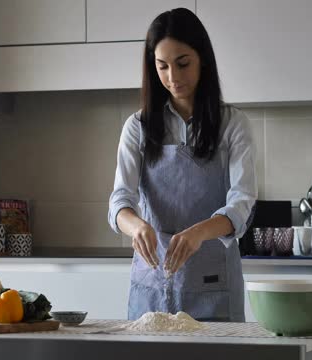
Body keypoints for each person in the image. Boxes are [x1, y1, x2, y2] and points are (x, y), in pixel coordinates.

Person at [108, 8, 257, 322]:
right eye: (162, 66)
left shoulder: (233, 124)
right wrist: (137, 226)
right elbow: (120, 202)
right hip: (151, 281)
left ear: (202, 58)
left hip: (213, 282)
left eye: (183, 63)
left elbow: (242, 203)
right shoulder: (137, 127)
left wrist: (199, 232)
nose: (173, 77)